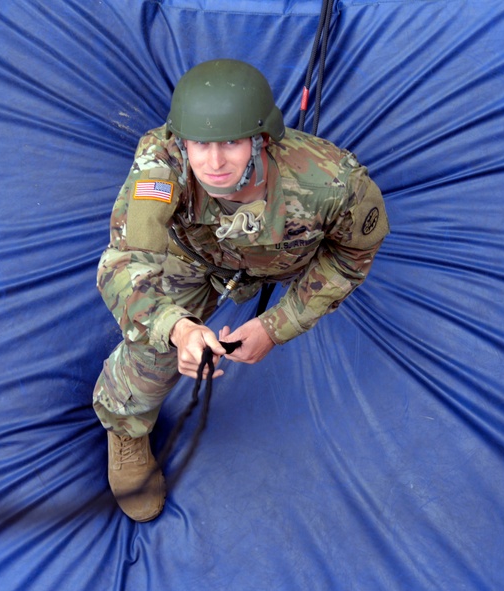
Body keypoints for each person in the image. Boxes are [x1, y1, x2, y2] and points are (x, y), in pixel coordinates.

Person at [92, 59, 389, 522]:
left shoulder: (330, 183)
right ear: (181, 140)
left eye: (230, 142)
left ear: (261, 138)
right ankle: (126, 427)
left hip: (283, 260)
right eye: (200, 144)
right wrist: (178, 329)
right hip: (195, 259)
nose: (213, 163)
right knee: (151, 349)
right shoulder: (162, 166)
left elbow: (353, 254)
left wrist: (277, 325)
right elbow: (125, 262)